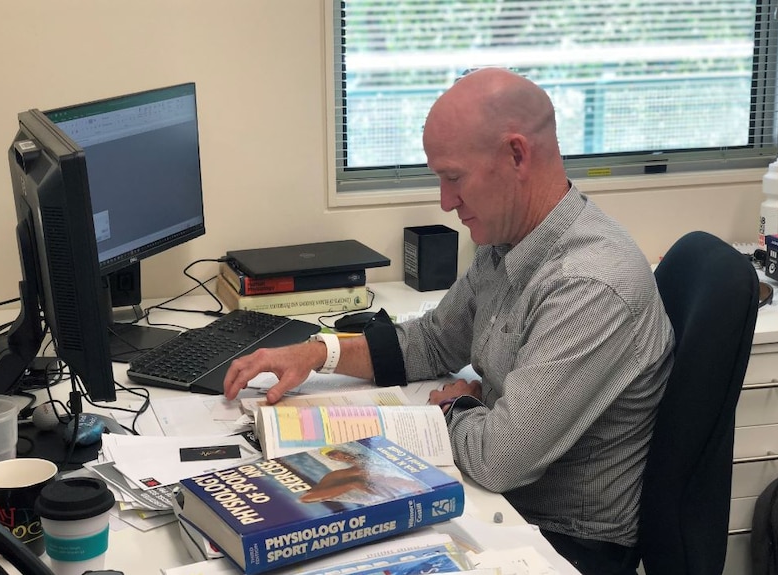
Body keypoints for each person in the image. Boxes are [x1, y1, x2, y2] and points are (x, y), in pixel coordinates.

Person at [224, 67, 674, 575]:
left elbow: (500, 458)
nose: (445, 201)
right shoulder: (508, 241)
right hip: (497, 501)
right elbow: (435, 342)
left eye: (453, 178)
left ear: (517, 155)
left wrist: (455, 408)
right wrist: (318, 352)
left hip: (560, 542)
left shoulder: (589, 284)